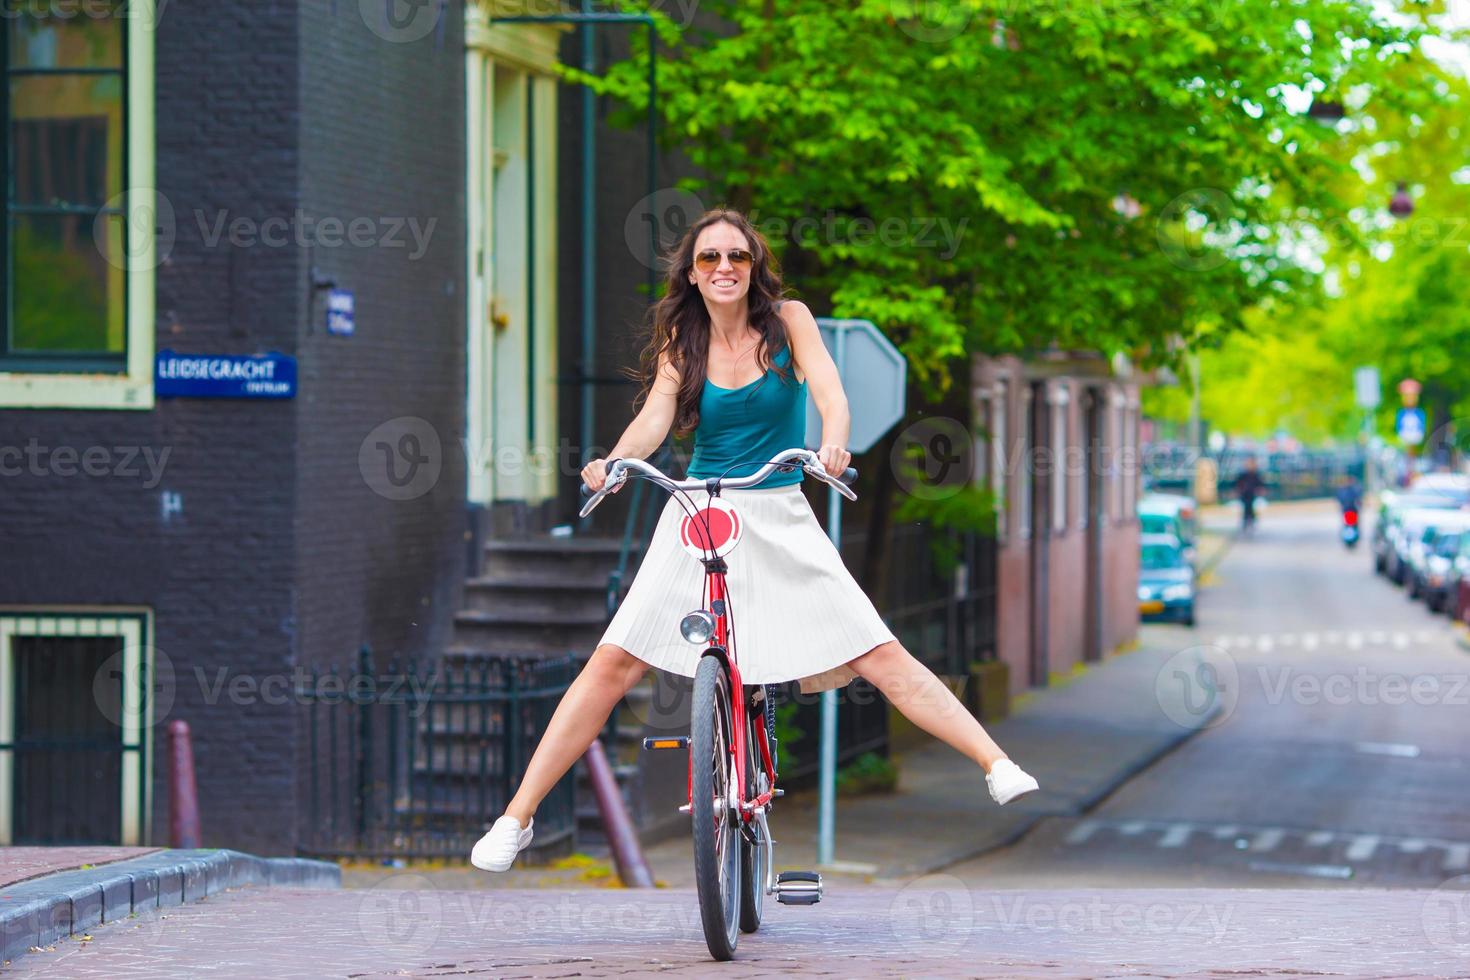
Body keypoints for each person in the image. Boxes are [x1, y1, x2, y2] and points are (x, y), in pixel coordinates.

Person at [470, 208, 1039, 872]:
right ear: (691, 272)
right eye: (709, 258)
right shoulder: (681, 340)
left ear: (754, 266)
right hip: (698, 510)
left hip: (775, 506)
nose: (723, 269)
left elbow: (830, 390)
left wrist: (832, 441)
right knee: (612, 663)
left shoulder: (789, 320)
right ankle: (516, 818)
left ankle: (994, 763)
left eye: (736, 257)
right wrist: (617, 460)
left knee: (875, 651)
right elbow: (657, 415)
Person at [1234, 456, 1265, 532]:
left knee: (1250, 506)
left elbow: (1260, 484)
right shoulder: (1243, 474)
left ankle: (1250, 520)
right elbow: (1237, 484)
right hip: (1244, 494)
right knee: (1246, 507)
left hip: (1252, 494)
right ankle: (1247, 521)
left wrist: (1260, 490)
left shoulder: (1255, 474)